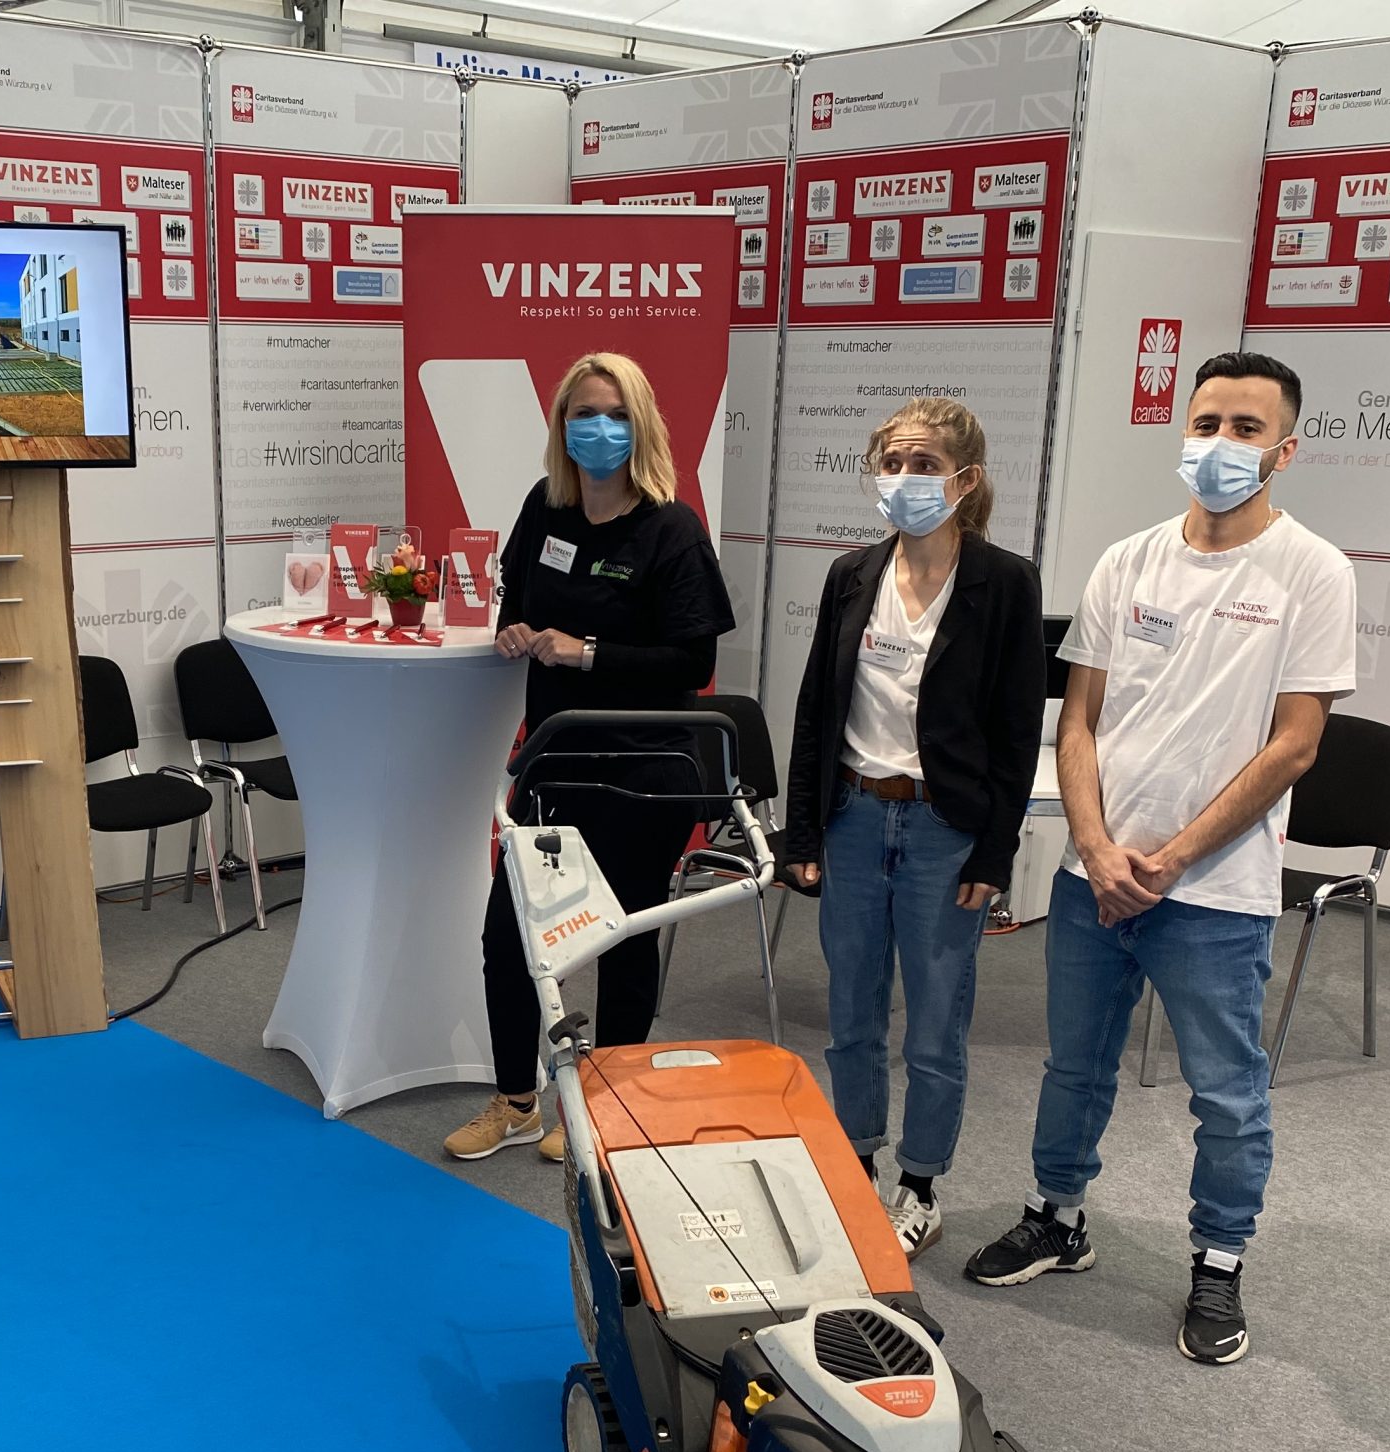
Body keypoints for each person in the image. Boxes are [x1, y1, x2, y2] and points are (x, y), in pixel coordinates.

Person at [962, 351, 1356, 1367]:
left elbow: (1295, 744)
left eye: (1243, 429)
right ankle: (1058, 1216)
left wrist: (1170, 858)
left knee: (1226, 1094)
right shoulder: (1125, 561)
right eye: (1206, 422)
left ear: (1284, 449)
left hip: (1214, 892)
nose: (1219, 445)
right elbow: (1079, 719)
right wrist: (1093, 847)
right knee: (1073, 1067)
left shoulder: (1313, 572)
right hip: (1096, 874)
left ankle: (1217, 1263)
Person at [442, 351, 733, 1163]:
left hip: (642, 772)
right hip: (552, 763)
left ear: (637, 425)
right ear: (560, 427)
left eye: (611, 414)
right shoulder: (546, 506)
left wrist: (588, 654)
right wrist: (513, 629)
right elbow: (517, 592)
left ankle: (604, 1102)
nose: (595, 429)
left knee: (623, 940)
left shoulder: (672, 528)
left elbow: (692, 663)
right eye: (580, 414)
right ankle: (517, 1100)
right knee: (510, 937)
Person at [778, 398, 1044, 1257]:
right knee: (852, 1012)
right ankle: (854, 1164)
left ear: (965, 479)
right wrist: (802, 836)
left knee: (935, 1023)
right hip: (854, 816)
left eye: (924, 464)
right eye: (892, 461)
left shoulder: (1005, 582)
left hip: (944, 830)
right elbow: (816, 709)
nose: (904, 479)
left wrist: (996, 852)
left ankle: (919, 1182)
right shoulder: (851, 573)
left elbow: (1013, 734)